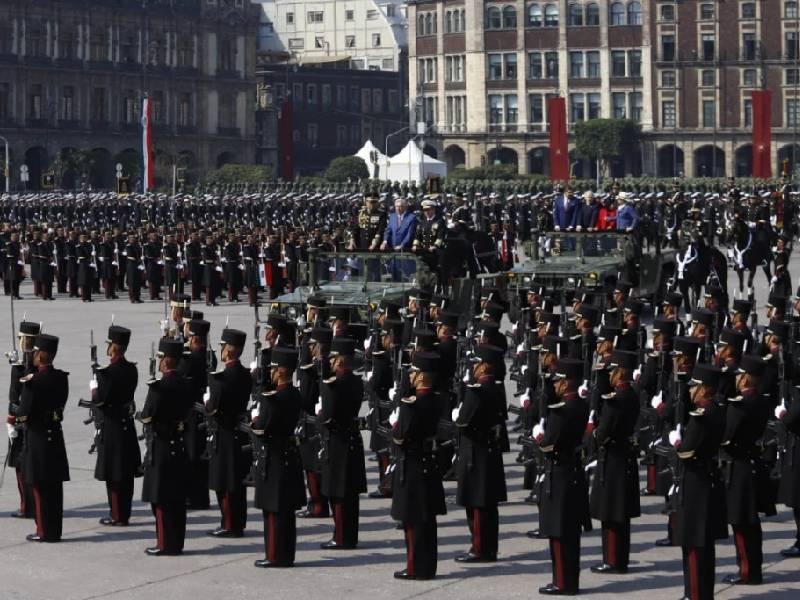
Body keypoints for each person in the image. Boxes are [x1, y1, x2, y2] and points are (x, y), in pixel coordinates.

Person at [670, 363, 727, 600]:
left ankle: (694, 594)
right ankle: (702, 593)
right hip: (707, 480)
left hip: (695, 484)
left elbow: (686, 451)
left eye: (694, 387)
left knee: (694, 543)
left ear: (703, 389)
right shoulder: (716, 411)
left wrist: (676, 442)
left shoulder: (702, 416)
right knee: (704, 546)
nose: (691, 391)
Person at [535, 357, 590, 596]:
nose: (555, 385)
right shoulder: (581, 405)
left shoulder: (562, 412)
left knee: (559, 533)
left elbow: (548, 445)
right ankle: (569, 580)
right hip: (574, 473)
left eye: (558, 381)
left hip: (559, 475)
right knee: (570, 534)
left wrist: (539, 436)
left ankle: (562, 582)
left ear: (566, 383)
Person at [390, 350, 447, 580]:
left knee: (413, 521)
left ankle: (416, 568)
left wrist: (396, 419)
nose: (410, 377)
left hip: (411, 466)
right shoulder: (435, 399)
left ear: (421, 376)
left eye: (413, 373)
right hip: (427, 464)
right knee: (426, 521)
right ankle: (427, 566)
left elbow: (400, 436)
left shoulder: (412, 404)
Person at [251, 346, 306, 568]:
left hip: (273, 457)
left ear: (282, 371)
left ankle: (275, 556)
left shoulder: (275, 400)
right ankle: (286, 554)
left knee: (274, 511)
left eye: (274, 368)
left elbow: (260, 428)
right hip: (289, 455)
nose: (271, 372)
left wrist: (256, 416)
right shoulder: (294, 394)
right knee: (286, 511)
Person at [453, 344, 508, 563]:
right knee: (488, 506)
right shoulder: (496, 387)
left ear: (485, 366)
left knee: (477, 505)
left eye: (476, 363)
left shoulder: (477, 392)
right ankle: (489, 548)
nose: (473, 367)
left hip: (476, 455)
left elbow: (463, 422)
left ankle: (480, 549)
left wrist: (459, 407)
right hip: (489, 453)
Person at [139, 338, 193, 555]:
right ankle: (177, 542)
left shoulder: (159, 387)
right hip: (178, 444)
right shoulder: (186, 384)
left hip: (161, 446)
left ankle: (165, 544)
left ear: (166, 360)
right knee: (177, 499)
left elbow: (147, 415)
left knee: (161, 500)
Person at [15, 333, 70, 542]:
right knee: (55, 488)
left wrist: (15, 417)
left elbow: (23, 412)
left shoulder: (33, 382)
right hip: (54, 436)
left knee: (39, 487)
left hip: (37, 438)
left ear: (39, 354)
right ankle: (55, 529)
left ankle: (43, 531)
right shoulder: (61, 378)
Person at [317, 337, 367, 549]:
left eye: (333, 359)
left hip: (337, 442)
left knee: (338, 494)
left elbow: (326, 417)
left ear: (339, 361)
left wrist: (320, 412)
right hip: (352, 439)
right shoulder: (356, 381)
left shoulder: (333, 385)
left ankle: (341, 537)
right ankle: (349, 535)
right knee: (350, 495)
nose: (329, 362)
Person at [92, 325, 142, 526]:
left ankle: (117, 515)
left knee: (114, 474)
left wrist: (94, 386)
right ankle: (125, 513)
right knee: (126, 474)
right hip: (126, 426)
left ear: (113, 346)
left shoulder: (108, 373)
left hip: (111, 426)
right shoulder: (132, 369)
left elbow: (99, 401)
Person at [206, 328, 252, 537]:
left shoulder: (221, 379)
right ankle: (237, 522)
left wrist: (208, 400)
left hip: (224, 433)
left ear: (228, 350)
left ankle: (229, 524)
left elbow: (213, 408)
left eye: (223, 347)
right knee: (237, 482)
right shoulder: (245, 375)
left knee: (226, 482)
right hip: (239, 432)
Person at [6, 321, 42, 519]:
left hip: (23, 420)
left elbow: (18, 397)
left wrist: (16, 369)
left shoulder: (30, 366)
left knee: (22, 464)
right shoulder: (25, 363)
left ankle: (27, 506)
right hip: (19, 416)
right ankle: (28, 504)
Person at [381, 197, 418, 281]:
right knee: (395, 276)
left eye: (401, 206)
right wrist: (385, 241)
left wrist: (402, 245)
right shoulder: (392, 216)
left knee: (406, 277)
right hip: (393, 252)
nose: (398, 208)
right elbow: (388, 230)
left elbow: (410, 234)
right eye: (396, 206)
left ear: (405, 207)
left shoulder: (412, 217)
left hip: (405, 252)